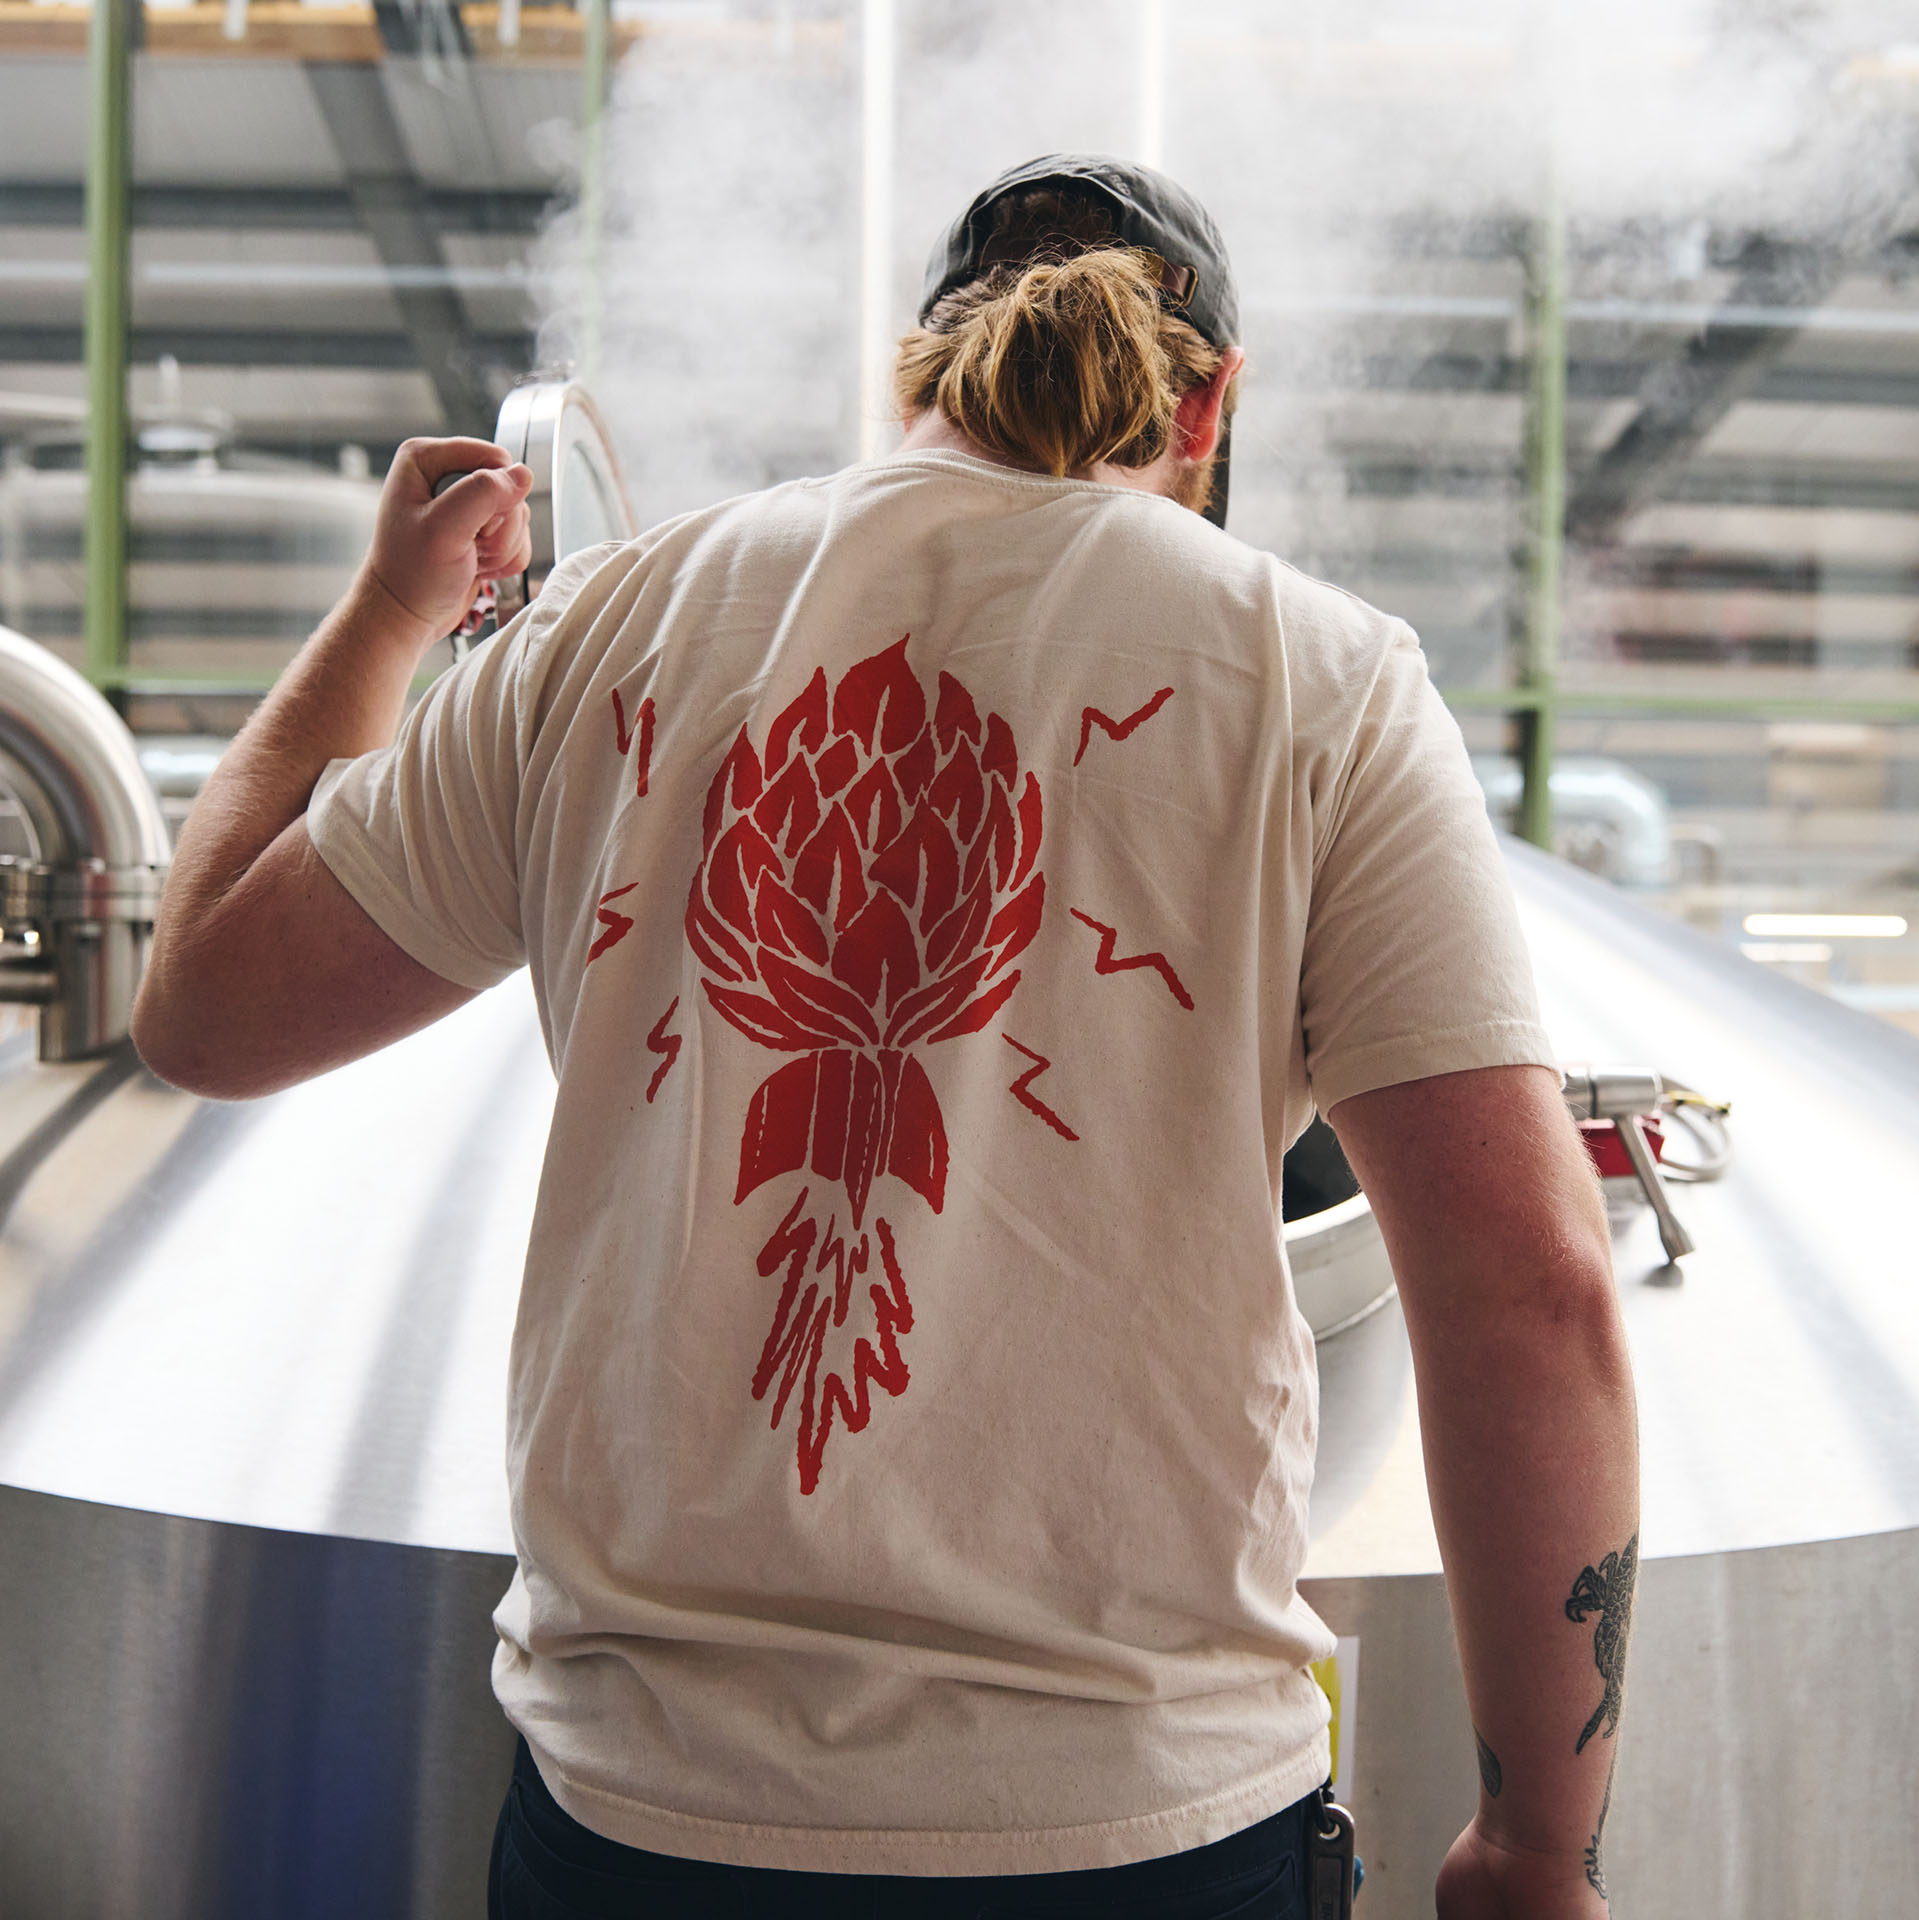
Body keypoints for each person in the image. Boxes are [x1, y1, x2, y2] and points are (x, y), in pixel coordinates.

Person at [133, 155, 1637, 1919]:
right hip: (1135, 1825)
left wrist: (393, 613)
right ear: (1209, 405)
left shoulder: (611, 622)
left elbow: (204, 1007)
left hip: (641, 1821)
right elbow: (1528, 1287)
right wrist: (1538, 1845)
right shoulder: (1321, 674)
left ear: (917, 370)